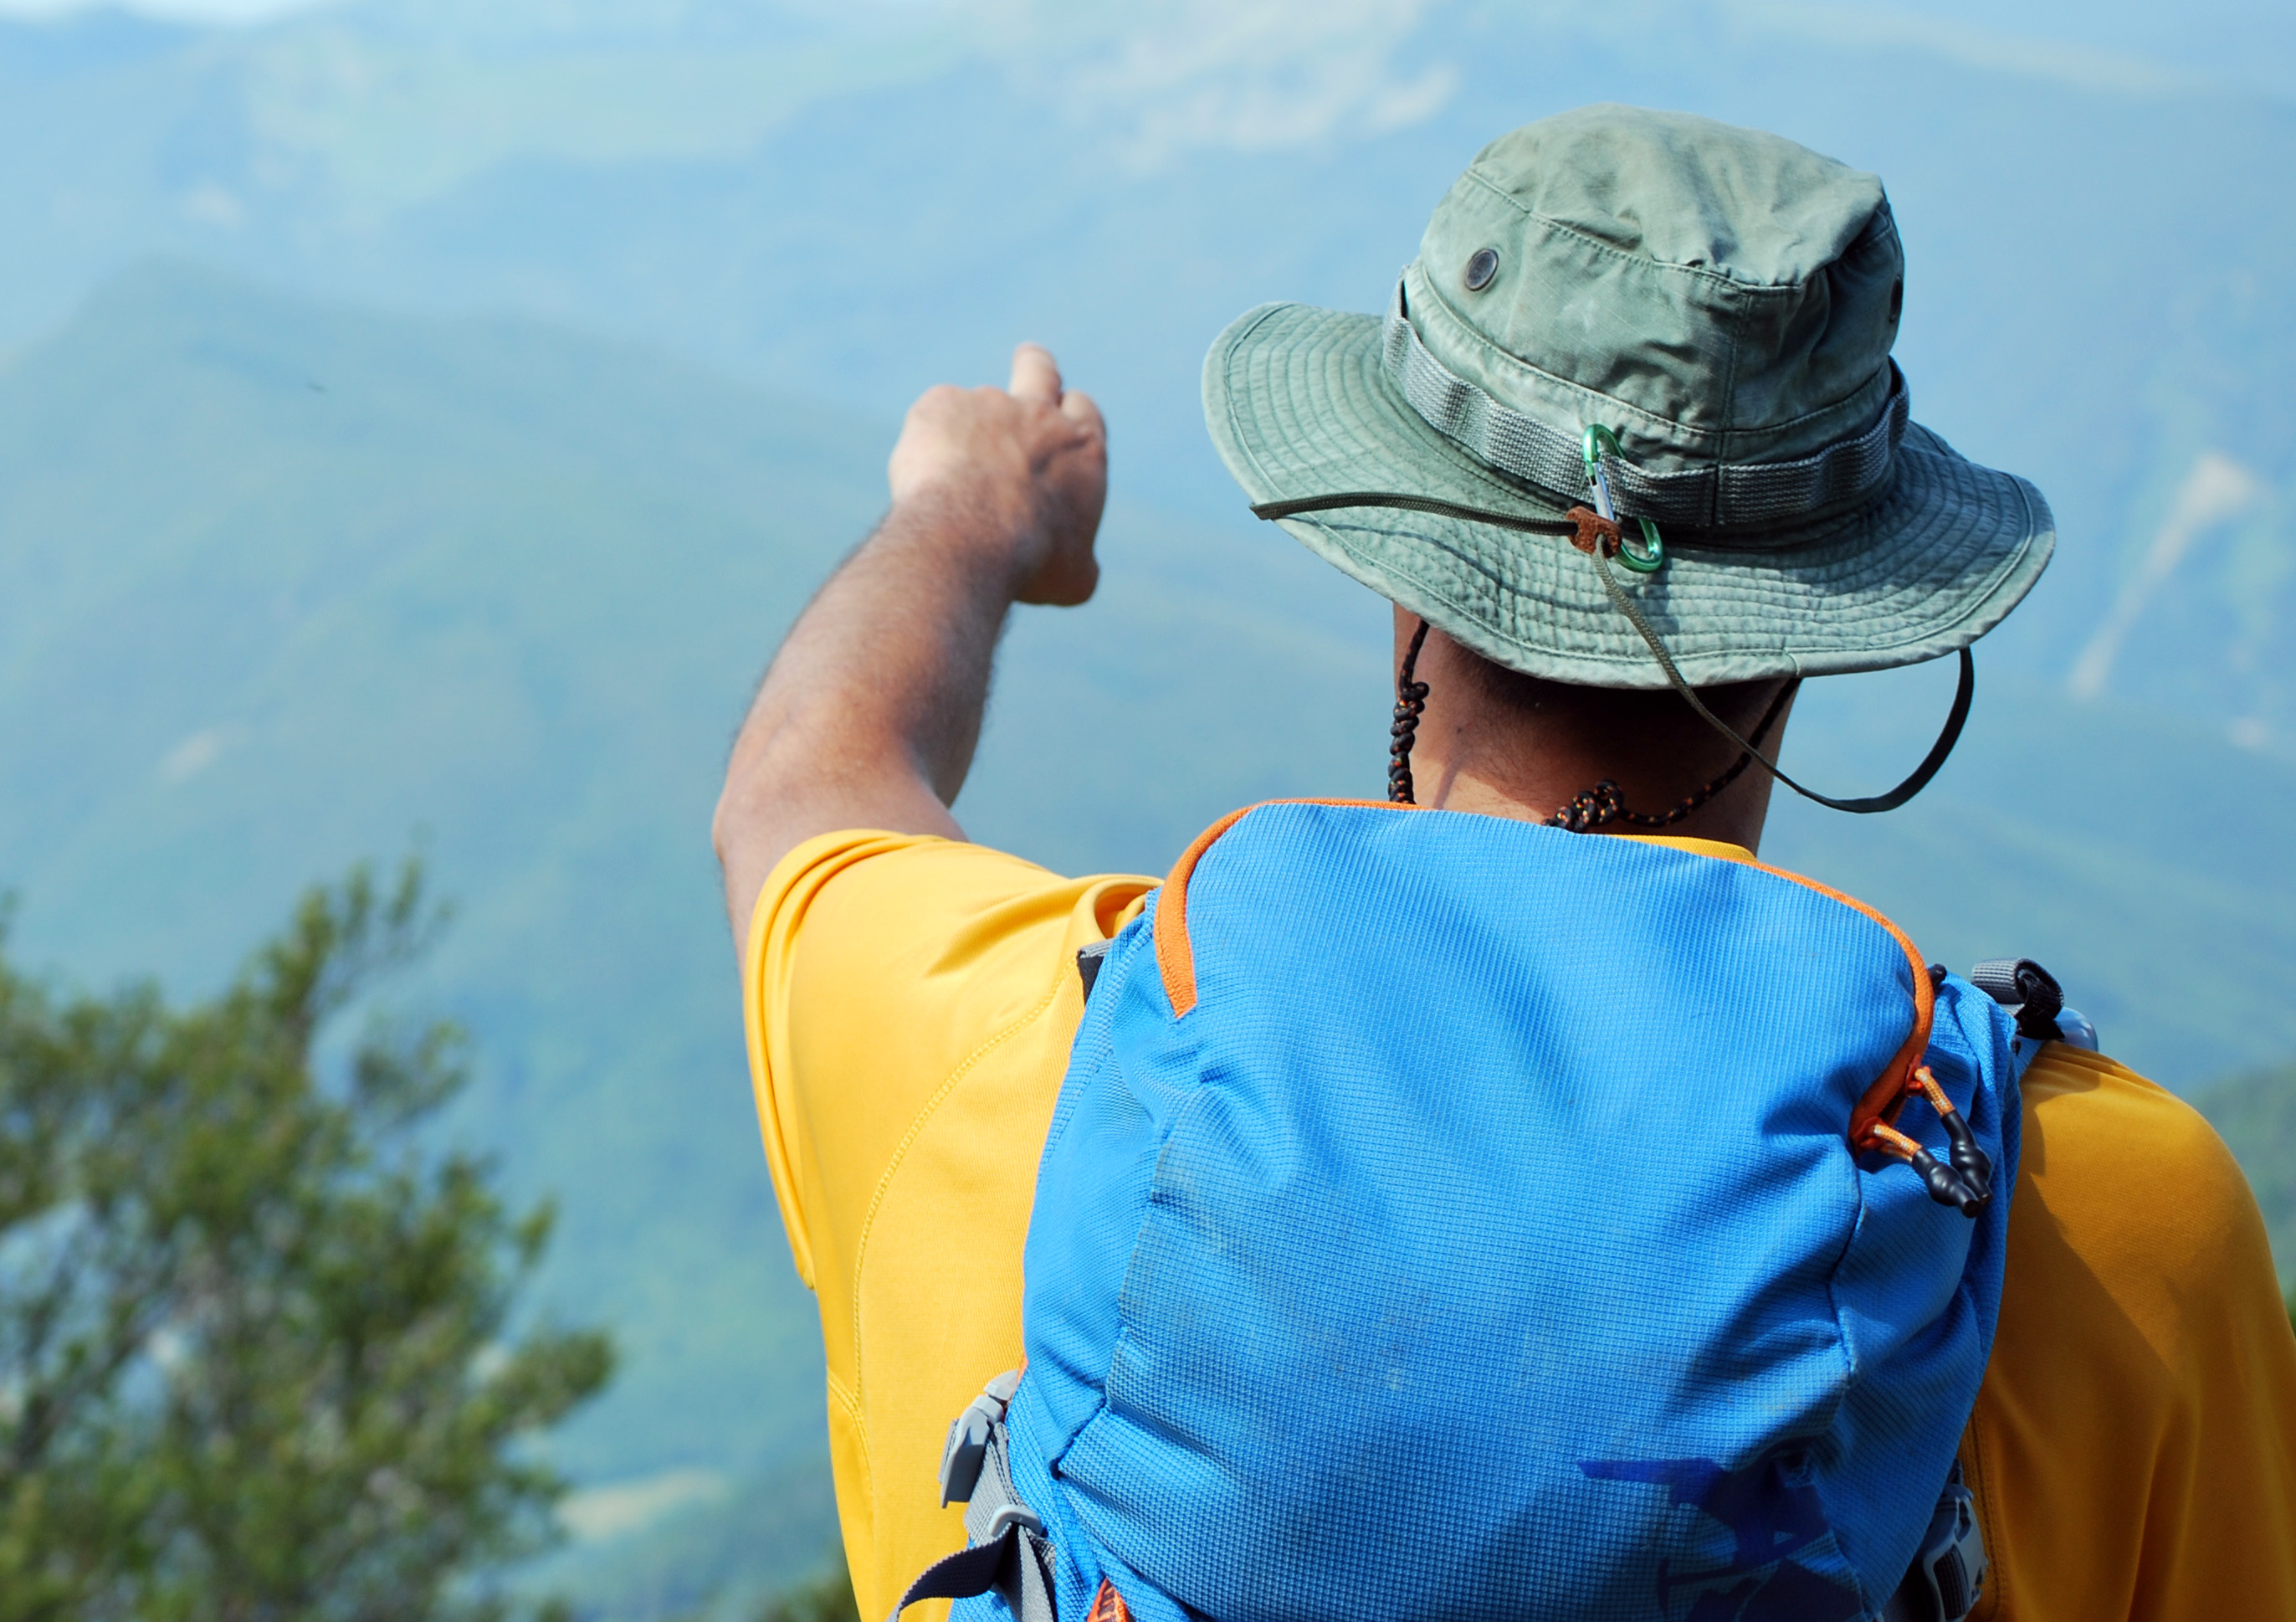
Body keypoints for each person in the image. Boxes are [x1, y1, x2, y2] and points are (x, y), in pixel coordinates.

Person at [715, 106, 2296, 1622]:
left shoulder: (1011, 1061)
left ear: (1405, 575)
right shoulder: (2117, 1225)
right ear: (1816, 634)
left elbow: (803, 793)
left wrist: (975, 511)